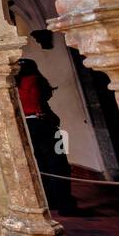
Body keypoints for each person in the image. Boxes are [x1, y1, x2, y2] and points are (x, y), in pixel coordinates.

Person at [16, 59, 76, 213]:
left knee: (41, 163)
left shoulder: (16, 83)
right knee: (58, 162)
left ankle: (51, 200)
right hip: (43, 123)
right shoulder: (34, 80)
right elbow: (41, 99)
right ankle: (65, 204)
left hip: (27, 124)